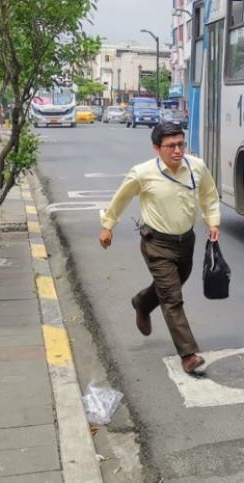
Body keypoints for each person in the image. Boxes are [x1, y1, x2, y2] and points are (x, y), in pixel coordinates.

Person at [98, 122, 220, 376]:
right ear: (157, 148)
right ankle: (188, 354)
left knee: (172, 286)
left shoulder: (196, 167)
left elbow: (209, 195)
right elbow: (121, 198)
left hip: (187, 241)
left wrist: (213, 221)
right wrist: (108, 226)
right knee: (172, 298)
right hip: (157, 244)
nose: (177, 150)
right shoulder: (142, 173)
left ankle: (142, 303)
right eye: (170, 146)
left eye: (180, 144)